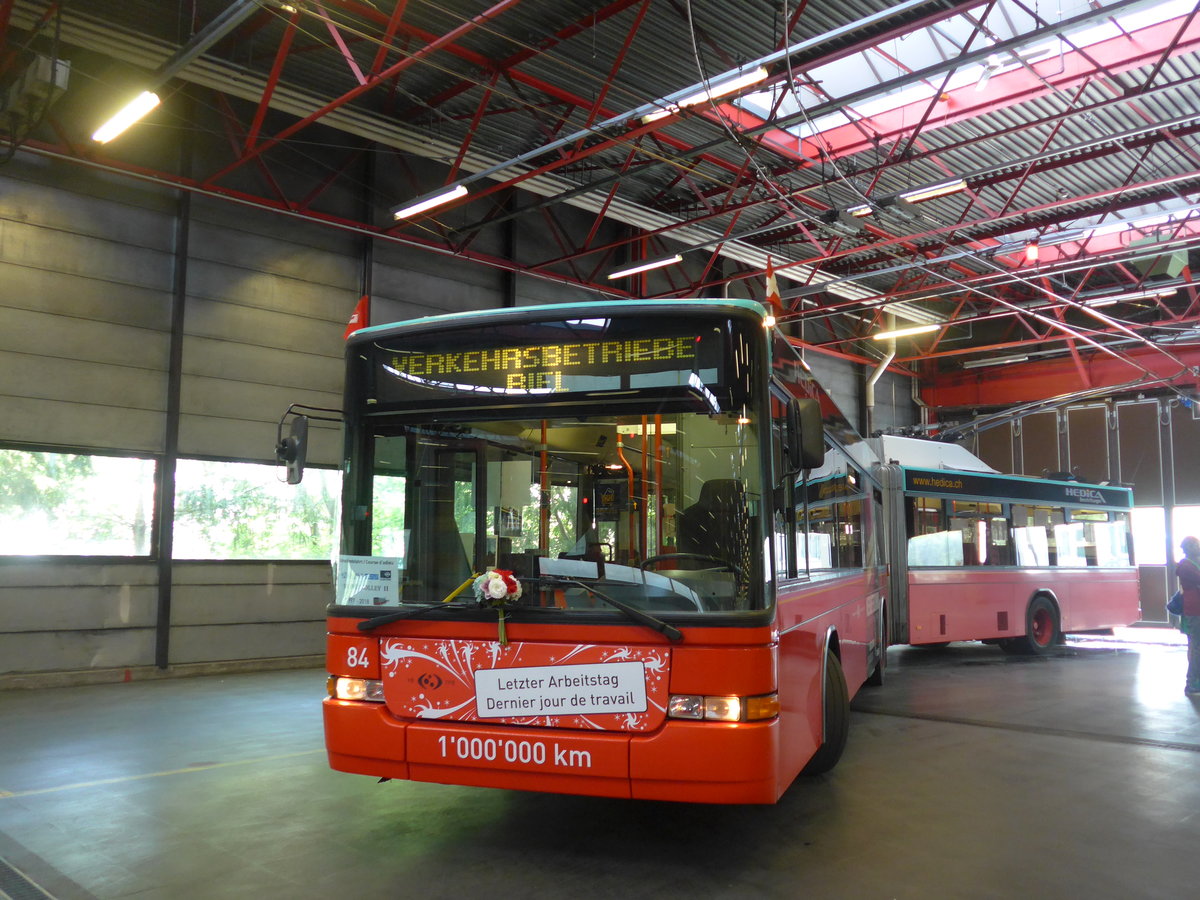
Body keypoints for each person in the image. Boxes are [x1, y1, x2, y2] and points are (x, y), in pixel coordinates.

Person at [1175, 535, 1200, 695]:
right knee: (1196, 647)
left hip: (1195, 609)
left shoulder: (1190, 564)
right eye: (1197, 545)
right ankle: (1191, 683)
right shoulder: (1187, 566)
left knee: (1196, 646)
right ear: (1191, 548)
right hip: (1195, 610)